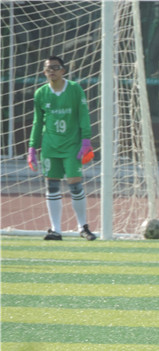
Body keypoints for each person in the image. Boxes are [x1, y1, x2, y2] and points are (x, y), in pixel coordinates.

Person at [28, 55, 96, 241]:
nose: (52, 71)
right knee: (52, 185)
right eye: (48, 68)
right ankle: (56, 230)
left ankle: (83, 227)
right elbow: (37, 122)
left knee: (75, 184)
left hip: (72, 145)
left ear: (63, 70)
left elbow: (83, 115)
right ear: (44, 72)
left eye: (56, 67)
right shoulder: (41, 93)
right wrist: (32, 147)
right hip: (50, 146)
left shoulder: (74, 89)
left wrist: (86, 140)